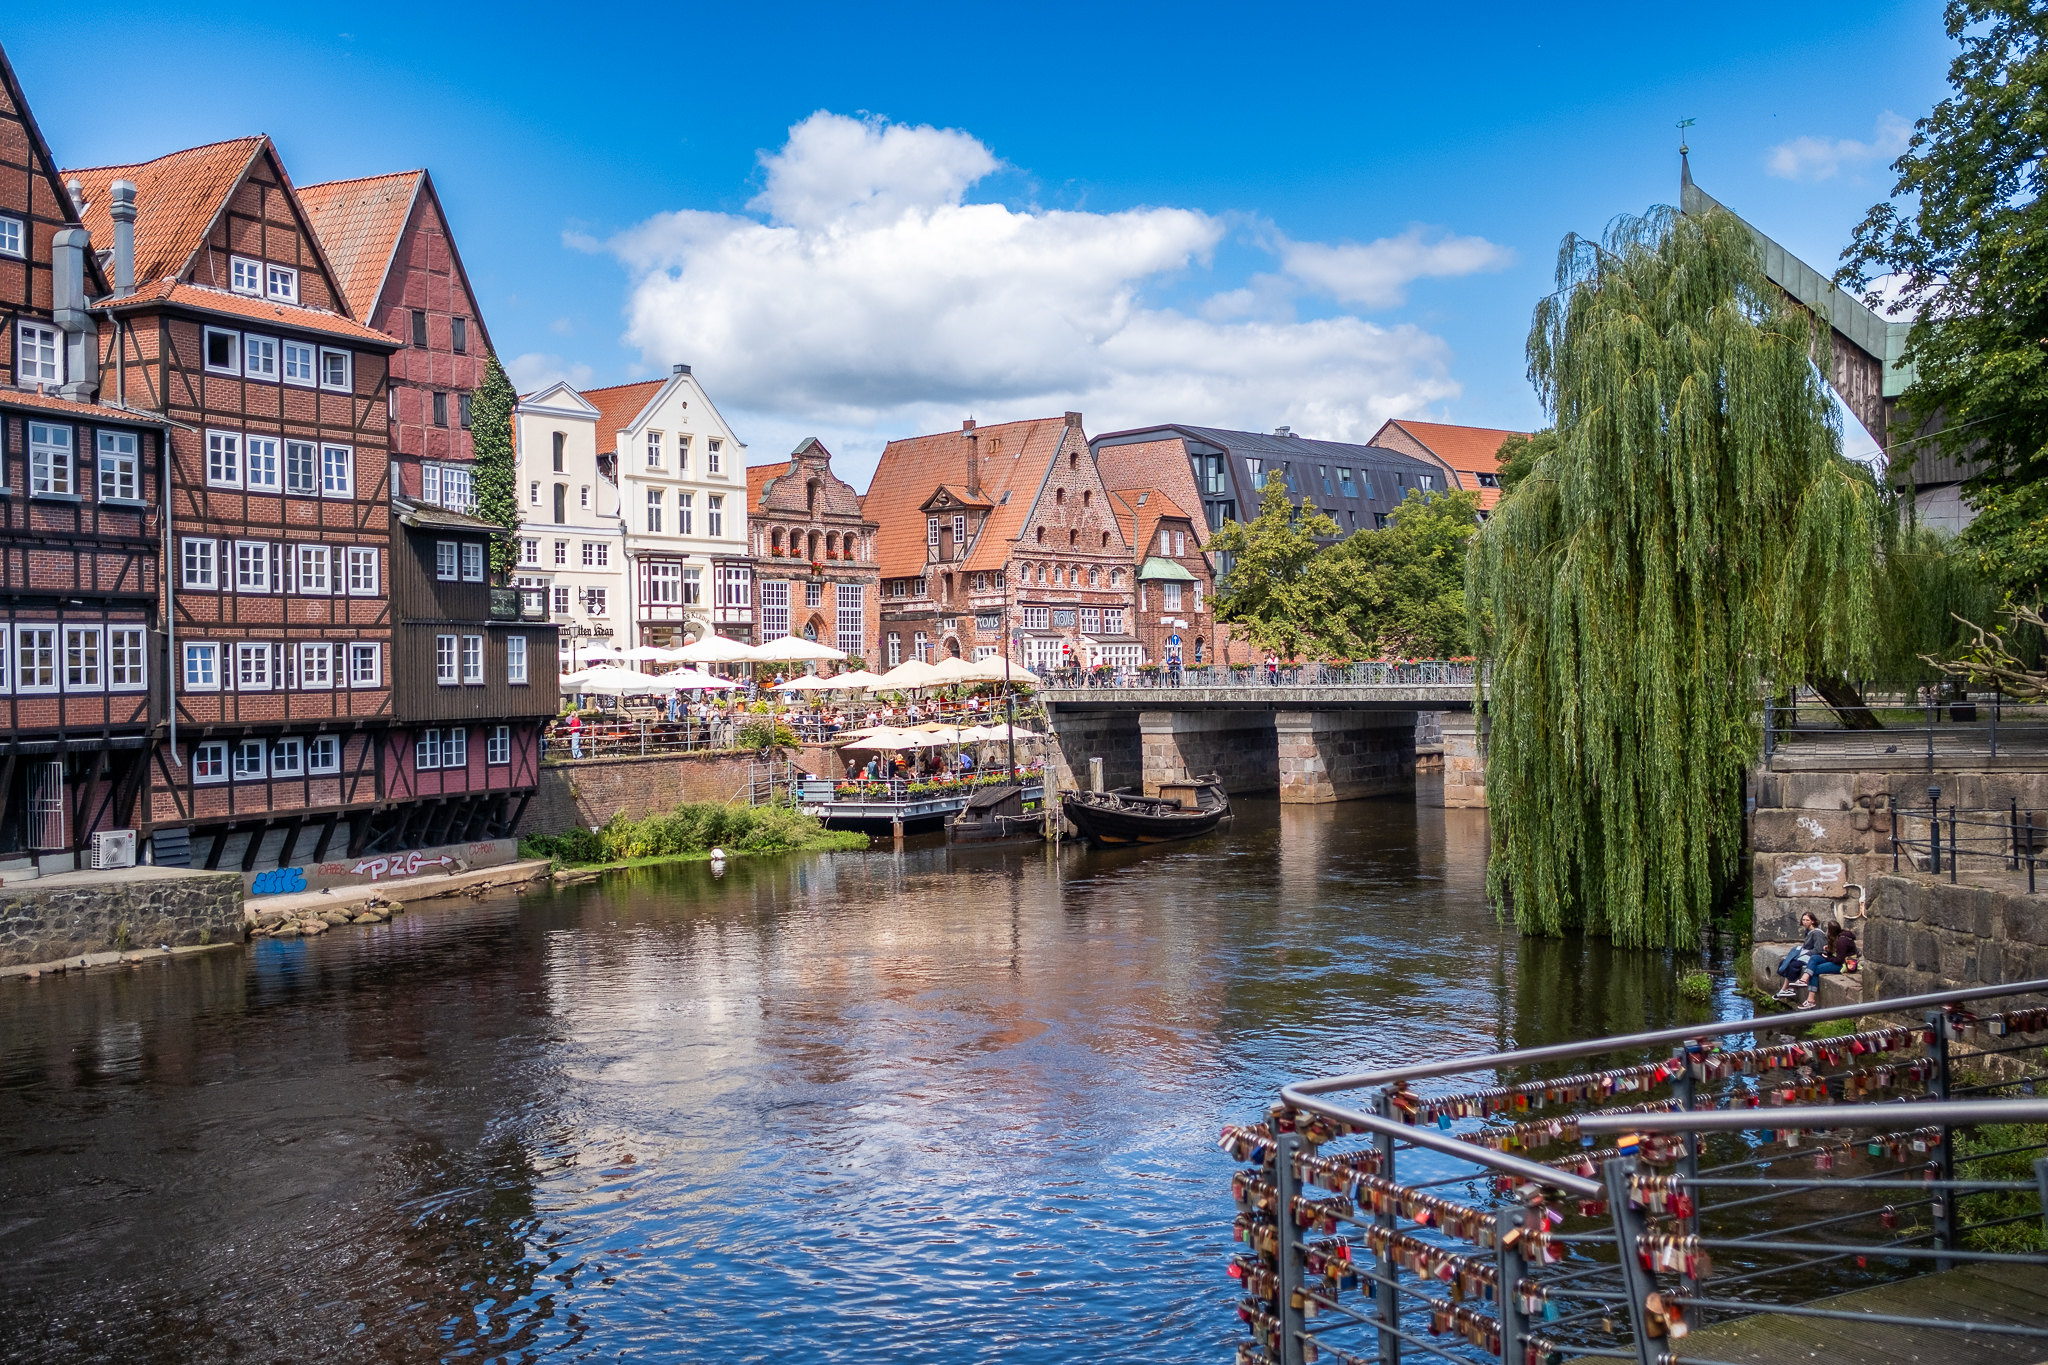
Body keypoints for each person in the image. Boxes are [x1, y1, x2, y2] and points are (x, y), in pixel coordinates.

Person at [1793, 923, 1857, 1009]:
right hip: (1835, 959)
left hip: (1844, 965)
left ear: (1831, 931)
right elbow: (1835, 953)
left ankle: (1810, 1000)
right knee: (1814, 958)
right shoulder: (1837, 937)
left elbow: (1839, 960)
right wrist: (1828, 950)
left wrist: (1828, 958)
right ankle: (1804, 979)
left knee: (1815, 970)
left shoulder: (1842, 941)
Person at [1775, 912, 1827, 998]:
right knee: (1785, 962)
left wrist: (1805, 953)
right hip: (1807, 953)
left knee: (1793, 964)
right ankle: (1784, 989)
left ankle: (1791, 988)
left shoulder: (1817, 933)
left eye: (1807, 920)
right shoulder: (1808, 931)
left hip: (1814, 955)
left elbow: (1818, 949)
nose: (1804, 922)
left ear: (1813, 921)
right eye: (1803, 920)